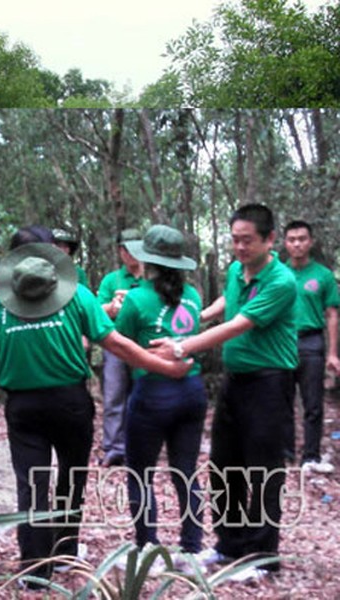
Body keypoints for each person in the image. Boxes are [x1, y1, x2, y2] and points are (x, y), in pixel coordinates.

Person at [0, 232, 191, 589]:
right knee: (72, 478)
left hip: (23, 406)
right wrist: (166, 366)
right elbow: (116, 344)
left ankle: (36, 570)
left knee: (32, 484)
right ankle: (66, 551)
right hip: (70, 403)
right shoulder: (77, 296)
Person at [151, 204, 297, 579]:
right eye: (234, 239)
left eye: (247, 240)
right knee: (224, 464)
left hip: (270, 381)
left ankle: (263, 556)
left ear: (270, 240)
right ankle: (230, 545)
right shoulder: (236, 270)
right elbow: (228, 306)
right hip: (237, 381)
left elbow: (240, 324)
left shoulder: (281, 281)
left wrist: (185, 346)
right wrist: (196, 318)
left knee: (263, 470)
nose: (239, 247)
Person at [114, 225, 207, 565]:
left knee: (140, 472)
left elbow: (119, 344)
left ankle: (148, 546)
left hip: (151, 392)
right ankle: (192, 548)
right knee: (185, 471)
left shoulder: (136, 297)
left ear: (147, 260)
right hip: (192, 391)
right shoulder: (194, 296)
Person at [283, 220, 339, 473]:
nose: (297, 243)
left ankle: (311, 457)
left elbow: (331, 315)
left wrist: (333, 353)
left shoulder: (323, 275)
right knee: (281, 401)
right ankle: (284, 455)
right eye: (292, 239)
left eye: (302, 238)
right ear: (284, 243)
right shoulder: (277, 273)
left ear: (311, 242)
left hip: (311, 341)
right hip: (281, 343)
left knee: (313, 404)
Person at [96, 228, 144, 467]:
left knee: (143, 394)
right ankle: (113, 447)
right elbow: (95, 311)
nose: (131, 254)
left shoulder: (152, 278)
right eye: (126, 249)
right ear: (120, 251)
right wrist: (112, 307)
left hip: (144, 344)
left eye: (136, 249)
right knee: (114, 395)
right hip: (115, 343)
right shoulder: (111, 280)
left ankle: (141, 446)